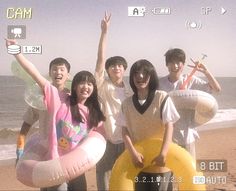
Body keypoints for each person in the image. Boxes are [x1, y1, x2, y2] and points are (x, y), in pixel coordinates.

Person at [6, 39, 106, 191]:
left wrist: (104, 33)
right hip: (54, 164)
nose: (86, 87)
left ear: (68, 75)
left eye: (89, 84)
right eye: (55, 69)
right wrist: (16, 51)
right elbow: (33, 73)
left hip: (75, 164)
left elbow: (99, 69)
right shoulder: (58, 98)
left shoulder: (91, 111)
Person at [117, 59, 180, 191]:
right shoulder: (126, 104)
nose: (140, 76)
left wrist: (163, 153)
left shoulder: (162, 98)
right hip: (138, 162)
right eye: (136, 73)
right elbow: (125, 131)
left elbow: (170, 126)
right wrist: (133, 153)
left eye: (145, 73)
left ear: (151, 77)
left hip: (161, 162)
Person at [159, 48, 221, 160]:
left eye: (179, 62)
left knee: (189, 170)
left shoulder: (190, 80)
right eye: (171, 62)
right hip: (166, 138)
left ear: (183, 64)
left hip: (186, 135)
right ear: (167, 64)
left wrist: (206, 71)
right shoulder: (160, 83)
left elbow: (216, 89)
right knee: (170, 172)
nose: (175, 65)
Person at [94, 13, 133, 191]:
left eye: (120, 65)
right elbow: (100, 61)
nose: (116, 68)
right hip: (107, 139)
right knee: (103, 177)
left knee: (126, 177)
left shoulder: (131, 88)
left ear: (124, 69)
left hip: (128, 140)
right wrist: (104, 33)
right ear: (108, 70)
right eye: (113, 66)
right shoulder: (102, 85)